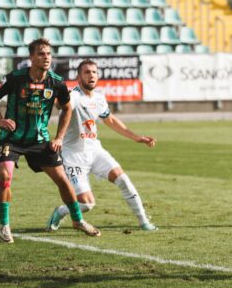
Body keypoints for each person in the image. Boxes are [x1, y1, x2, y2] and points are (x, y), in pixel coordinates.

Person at [0, 39, 101, 243]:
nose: (46, 57)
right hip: (12, 138)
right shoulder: (16, 77)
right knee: (5, 177)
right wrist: (0, 120)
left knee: (62, 180)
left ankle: (77, 220)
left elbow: (67, 108)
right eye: (41, 54)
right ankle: (5, 225)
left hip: (40, 140)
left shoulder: (56, 82)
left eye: (49, 53)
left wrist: (59, 137)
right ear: (31, 57)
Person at [46, 61, 157, 232]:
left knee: (123, 179)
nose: (91, 75)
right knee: (86, 204)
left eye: (94, 72)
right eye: (86, 72)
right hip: (73, 156)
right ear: (78, 76)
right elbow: (62, 104)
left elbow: (110, 119)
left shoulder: (98, 97)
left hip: (95, 151)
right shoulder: (74, 96)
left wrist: (136, 138)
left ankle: (143, 221)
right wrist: (58, 101)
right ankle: (61, 211)